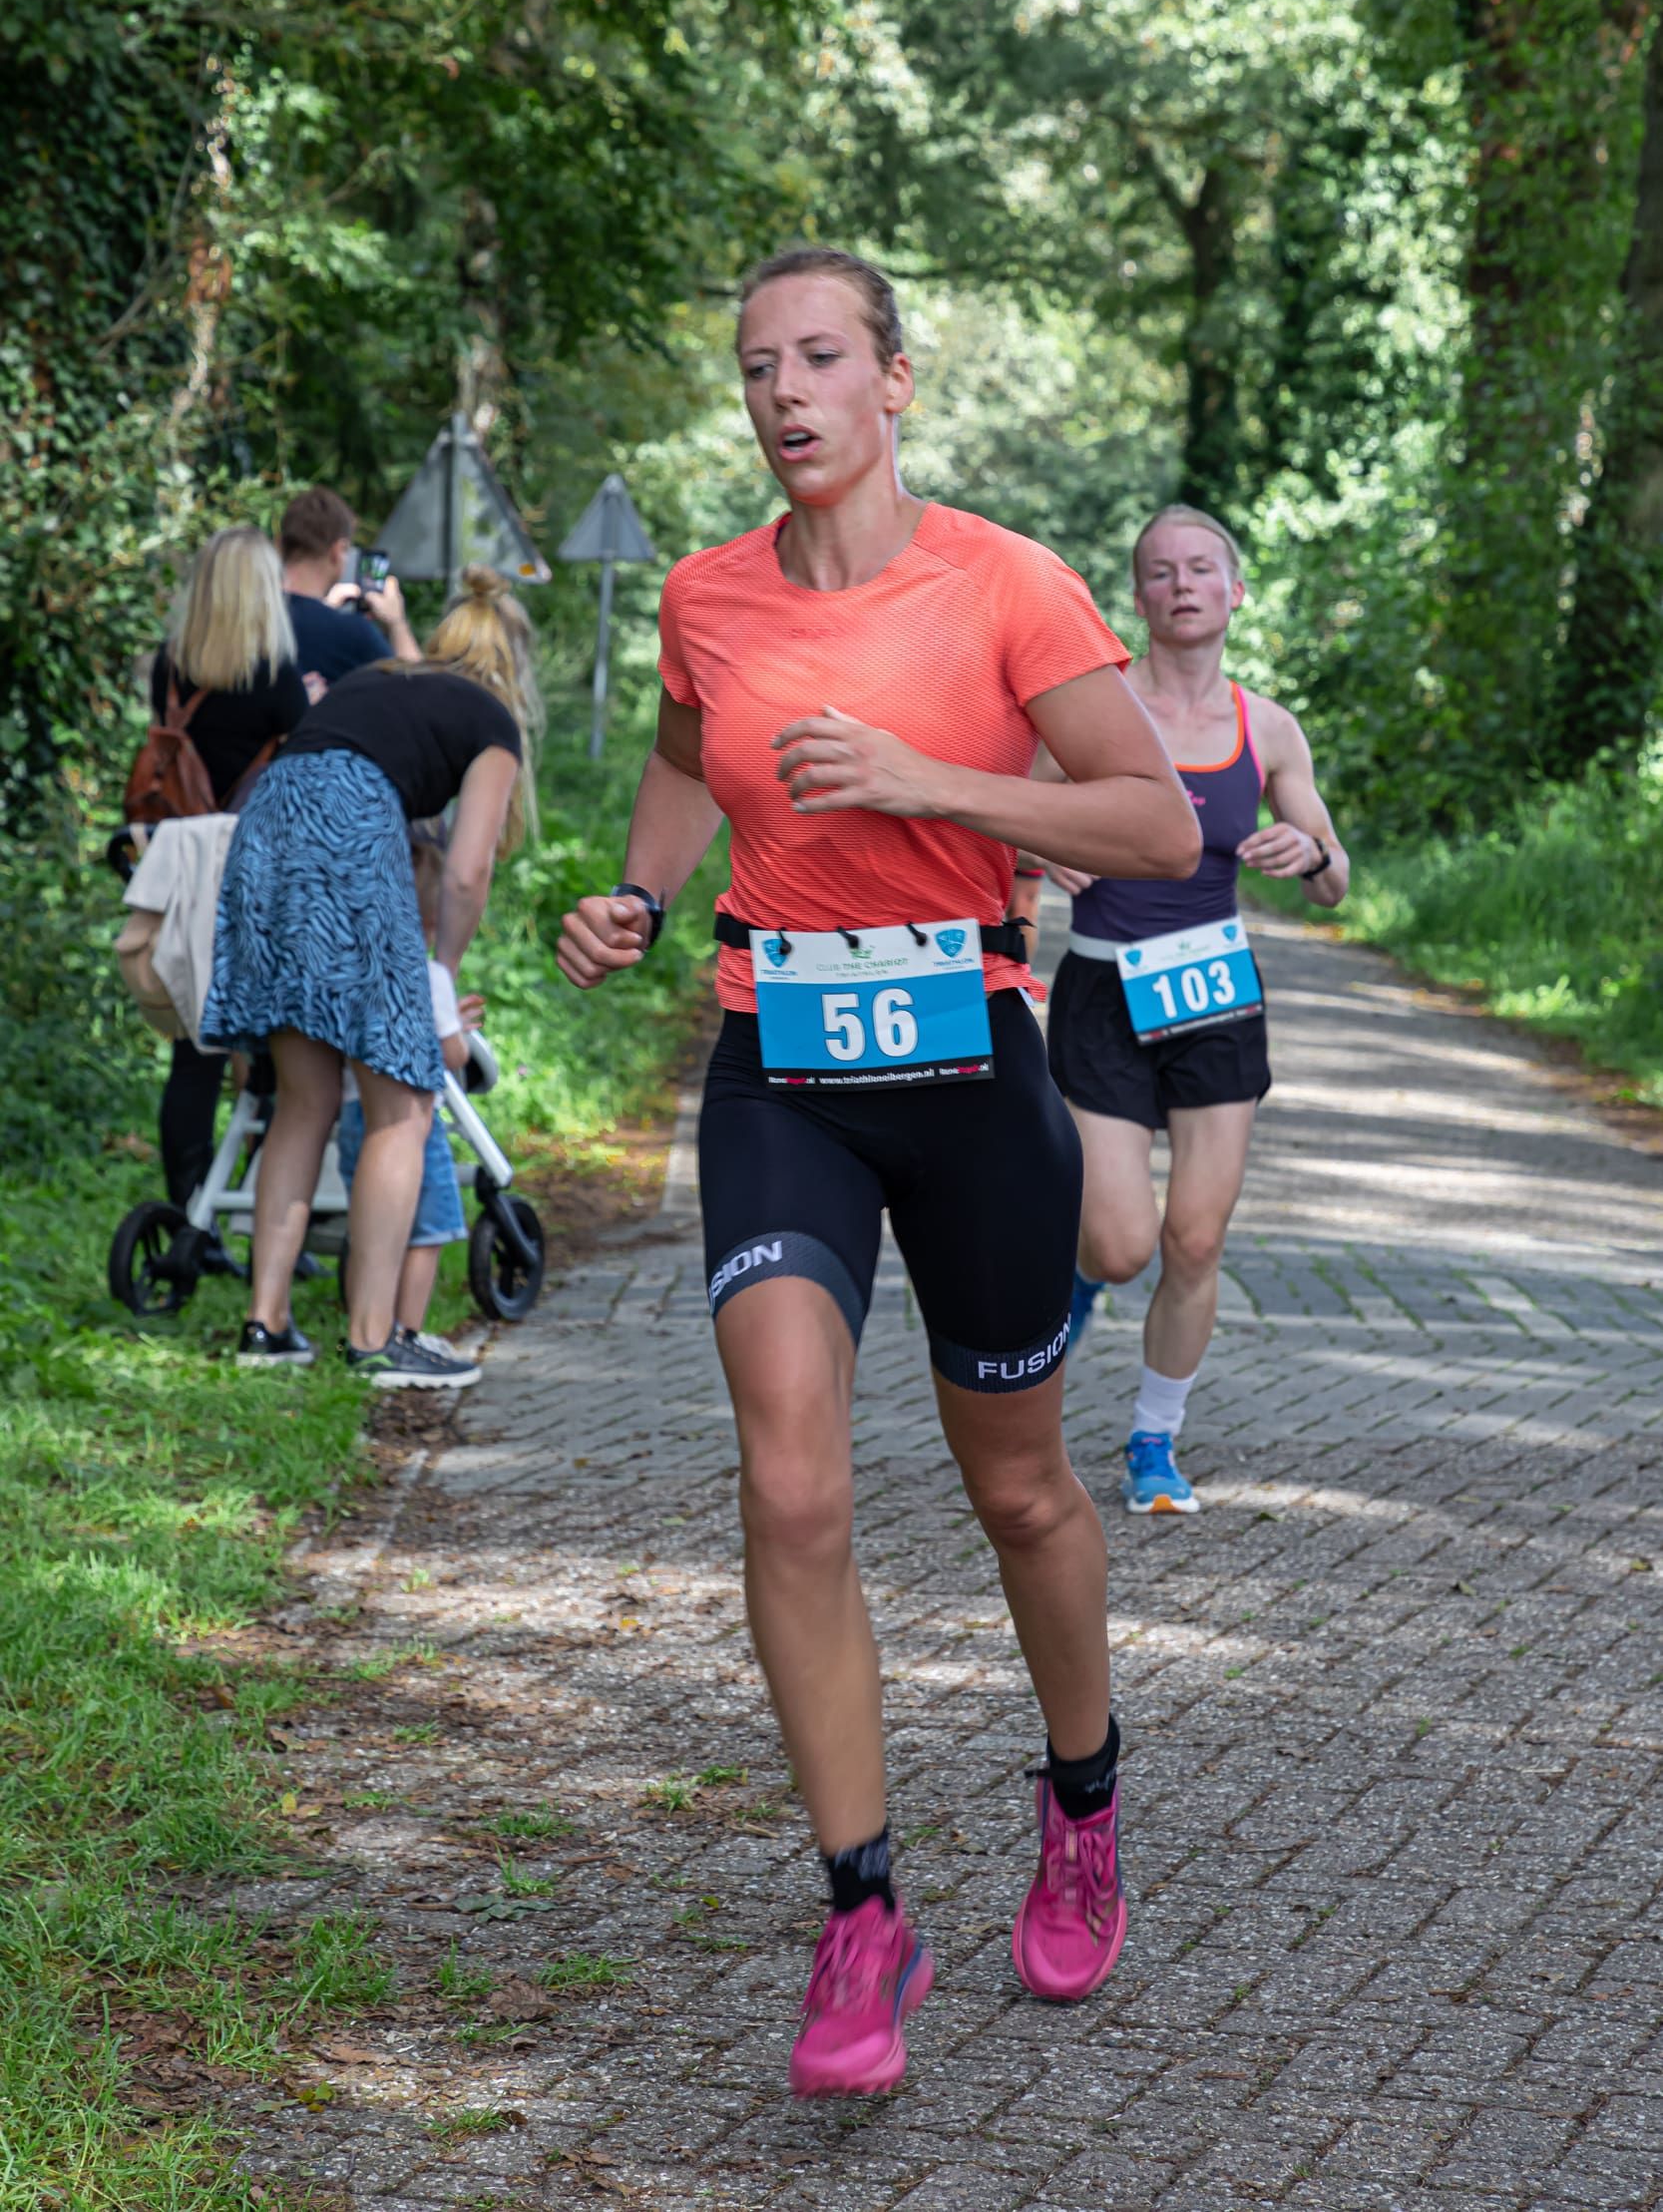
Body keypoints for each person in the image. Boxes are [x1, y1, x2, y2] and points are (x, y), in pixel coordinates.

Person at [556, 246, 1199, 2099]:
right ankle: (862, 1915)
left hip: (969, 1051)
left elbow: (1149, 820)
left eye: (822, 358)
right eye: (758, 366)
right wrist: (644, 892)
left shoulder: (1002, 583)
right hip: (784, 1060)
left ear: (895, 382)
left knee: (1017, 1492)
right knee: (793, 1478)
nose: (785, 393)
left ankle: (1080, 1803)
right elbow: (690, 759)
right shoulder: (708, 594)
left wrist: (939, 782)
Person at [1043, 504, 1348, 1516]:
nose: (1181, 584)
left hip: (1213, 994)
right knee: (1120, 1241)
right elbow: (995, 817)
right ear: (1135, 598)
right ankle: (1083, 1278)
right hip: (1100, 992)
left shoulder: (1266, 726)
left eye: (1201, 568)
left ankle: (1152, 1441)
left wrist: (1307, 853)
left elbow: (1331, 875)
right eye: (1160, 571)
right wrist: (1036, 849)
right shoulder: (1092, 708)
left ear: (1233, 592)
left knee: (1195, 1239)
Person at [202, 568, 538, 1385]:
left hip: (266, 823)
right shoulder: (493, 724)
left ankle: (266, 1325)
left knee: (304, 1097)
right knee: (404, 1105)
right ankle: (374, 1336)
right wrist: (440, 975)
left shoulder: (381, 677)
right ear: (515, 669)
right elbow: (464, 874)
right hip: (347, 829)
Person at [147, 525, 308, 1234]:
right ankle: (255, 1203)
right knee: (276, 1052)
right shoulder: (273, 672)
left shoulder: (170, 666)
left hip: (179, 864)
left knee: (193, 1052)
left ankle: (189, 1215)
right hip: (250, 874)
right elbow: (305, 760)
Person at [333, 823, 487, 1385]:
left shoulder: (352, 970)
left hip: (355, 1116)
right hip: (408, 1125)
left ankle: (366, 1322)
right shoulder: (429, 974)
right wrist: (463, 1032)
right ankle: (406, 1332)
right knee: (429, 1231)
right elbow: (448, 1053)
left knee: (369, 1229)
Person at [278, 483, 420, 690]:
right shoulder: (353, 634)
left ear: (280, 545)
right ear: (338, 551)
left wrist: (325, 609)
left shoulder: (244, 614)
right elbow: (419, 690)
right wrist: (397, 623)